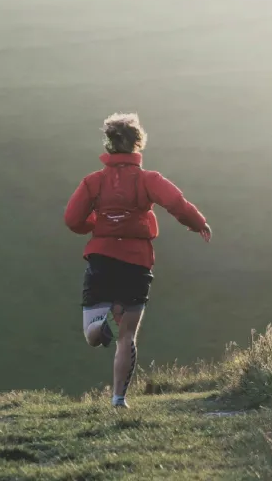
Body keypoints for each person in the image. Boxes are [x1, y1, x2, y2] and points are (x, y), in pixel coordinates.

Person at [63, 112, 211, 407]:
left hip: (101, 260)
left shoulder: (93, 182)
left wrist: (96, 224)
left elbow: (72, 219)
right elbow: (176, 203)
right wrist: (198, 223)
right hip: (136, 262)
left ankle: (97, 328)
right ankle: (119, 399)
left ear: (108, 145)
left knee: (93, 334)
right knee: (127, 336)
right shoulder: (148, 180)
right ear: (138, 144)